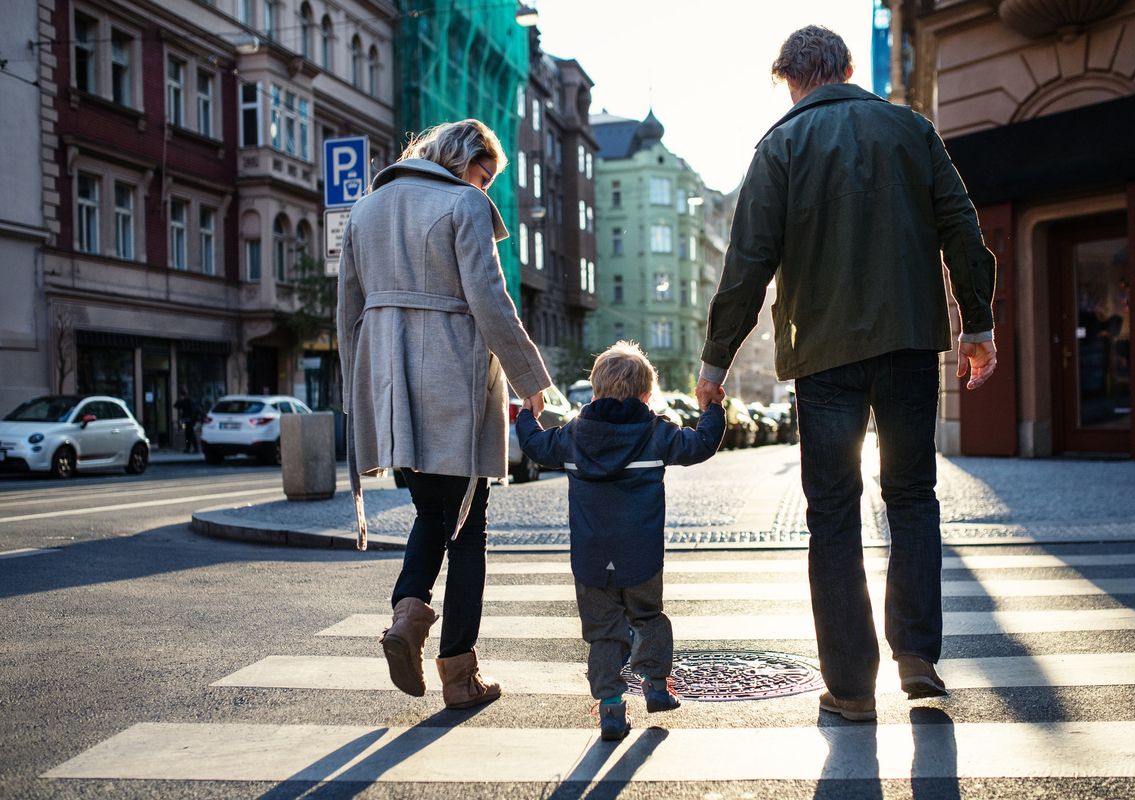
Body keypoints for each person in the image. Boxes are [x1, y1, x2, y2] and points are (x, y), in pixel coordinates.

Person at [696, 27, 998, 722]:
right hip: (909, 341)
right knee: (912, 496)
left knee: (833, 513)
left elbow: (747, 266)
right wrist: (976, 325)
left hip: (823, 352)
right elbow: (962, 227)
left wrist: (716, 362)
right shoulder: (911, 130)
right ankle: (916, 655)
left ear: (791, 79)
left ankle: (853, 688)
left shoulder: (779, 146)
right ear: (848, 68)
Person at [336, 119, 552, 710]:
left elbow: (348, 312)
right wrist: (531, 380)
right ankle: (457, 672)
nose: (485, 188)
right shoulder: (464, 204)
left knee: (432, 512)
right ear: (462, 160)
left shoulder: (365, 209)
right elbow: (489, 299)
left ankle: (408, 619)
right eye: (484, 175)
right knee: (467, 528)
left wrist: (359, 395)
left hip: (390, 382)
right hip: (453, 377)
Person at [516, 341, 726, 740]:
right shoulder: (656, 432)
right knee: (648, 616)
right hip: (641, 554)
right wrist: (712, 408)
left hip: (592, 558)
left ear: (595, 390)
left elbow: (535, 446)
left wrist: (529, 414)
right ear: (647, 394)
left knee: (603, 631)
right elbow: (700, 445)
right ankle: (656, 686)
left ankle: (611, 707)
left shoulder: (573, 435)